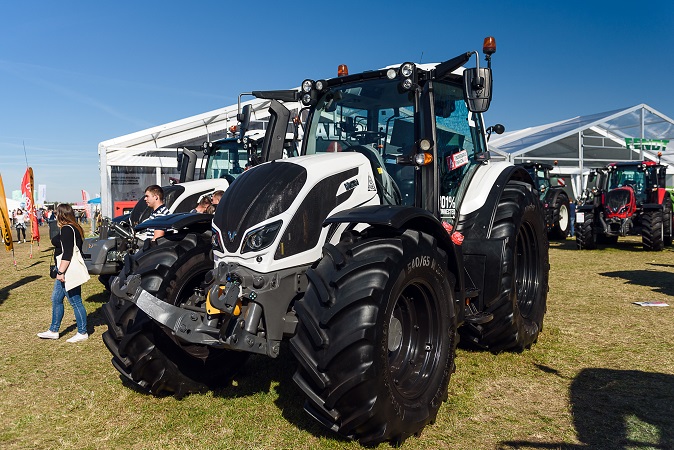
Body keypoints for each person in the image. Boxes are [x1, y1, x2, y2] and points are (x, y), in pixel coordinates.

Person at [37, 203, 89, 342]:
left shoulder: (67, 229)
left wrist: (60, 272)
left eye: (56, 213)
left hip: (66, 270)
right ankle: (54, 330)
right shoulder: (74, 227)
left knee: (75, 301)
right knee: (56, 299)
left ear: (60, 214)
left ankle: (82, 332)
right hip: (65, 270)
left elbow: (68, 253)